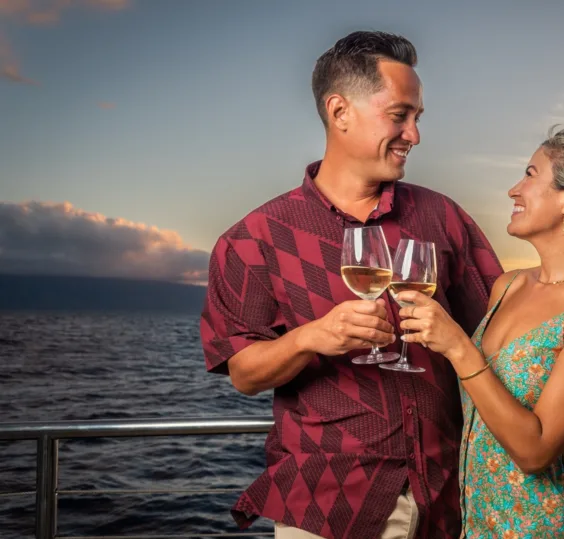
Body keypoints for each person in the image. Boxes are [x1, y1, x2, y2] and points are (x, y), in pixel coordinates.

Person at [200, 31, 503, 539]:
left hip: (450, 498)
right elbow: (244, 375)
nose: (415, 134)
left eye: (418, 118)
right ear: (339, 112)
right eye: (400, 115)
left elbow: (497, 327)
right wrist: (309, 338)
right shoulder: (252, 241)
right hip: (328, 508)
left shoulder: (443, 217)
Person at [394, 124, 564, 537]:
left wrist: (458, 347)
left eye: (531, 174)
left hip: (544, 523)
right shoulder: (509, 286)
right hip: (478, 517)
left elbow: (535, 451)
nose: (513, 190)